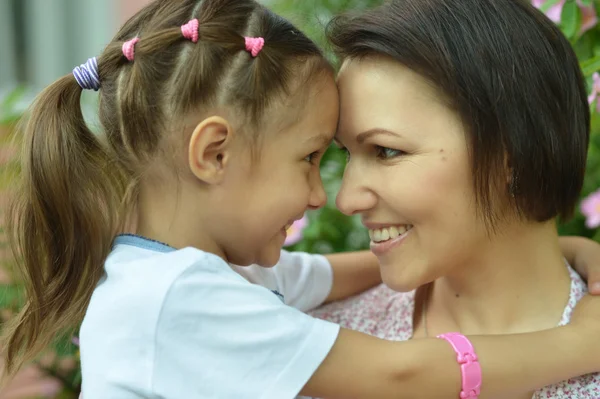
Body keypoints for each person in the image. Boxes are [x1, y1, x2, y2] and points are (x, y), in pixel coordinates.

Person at [3, 0, 600, 398]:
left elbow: (326, 272)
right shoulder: (192, 297)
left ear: (510, 157)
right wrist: (578, 344)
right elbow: (399, 375)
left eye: (386, 151)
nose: (335, 198)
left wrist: (571, 247)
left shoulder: (224, 282)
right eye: (317, 157)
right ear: (213, 152)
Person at [309, 0, 600, 397]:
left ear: (510, 154)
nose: (346, 199)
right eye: (346, 152)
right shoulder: (318, 345)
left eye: (386, 150)